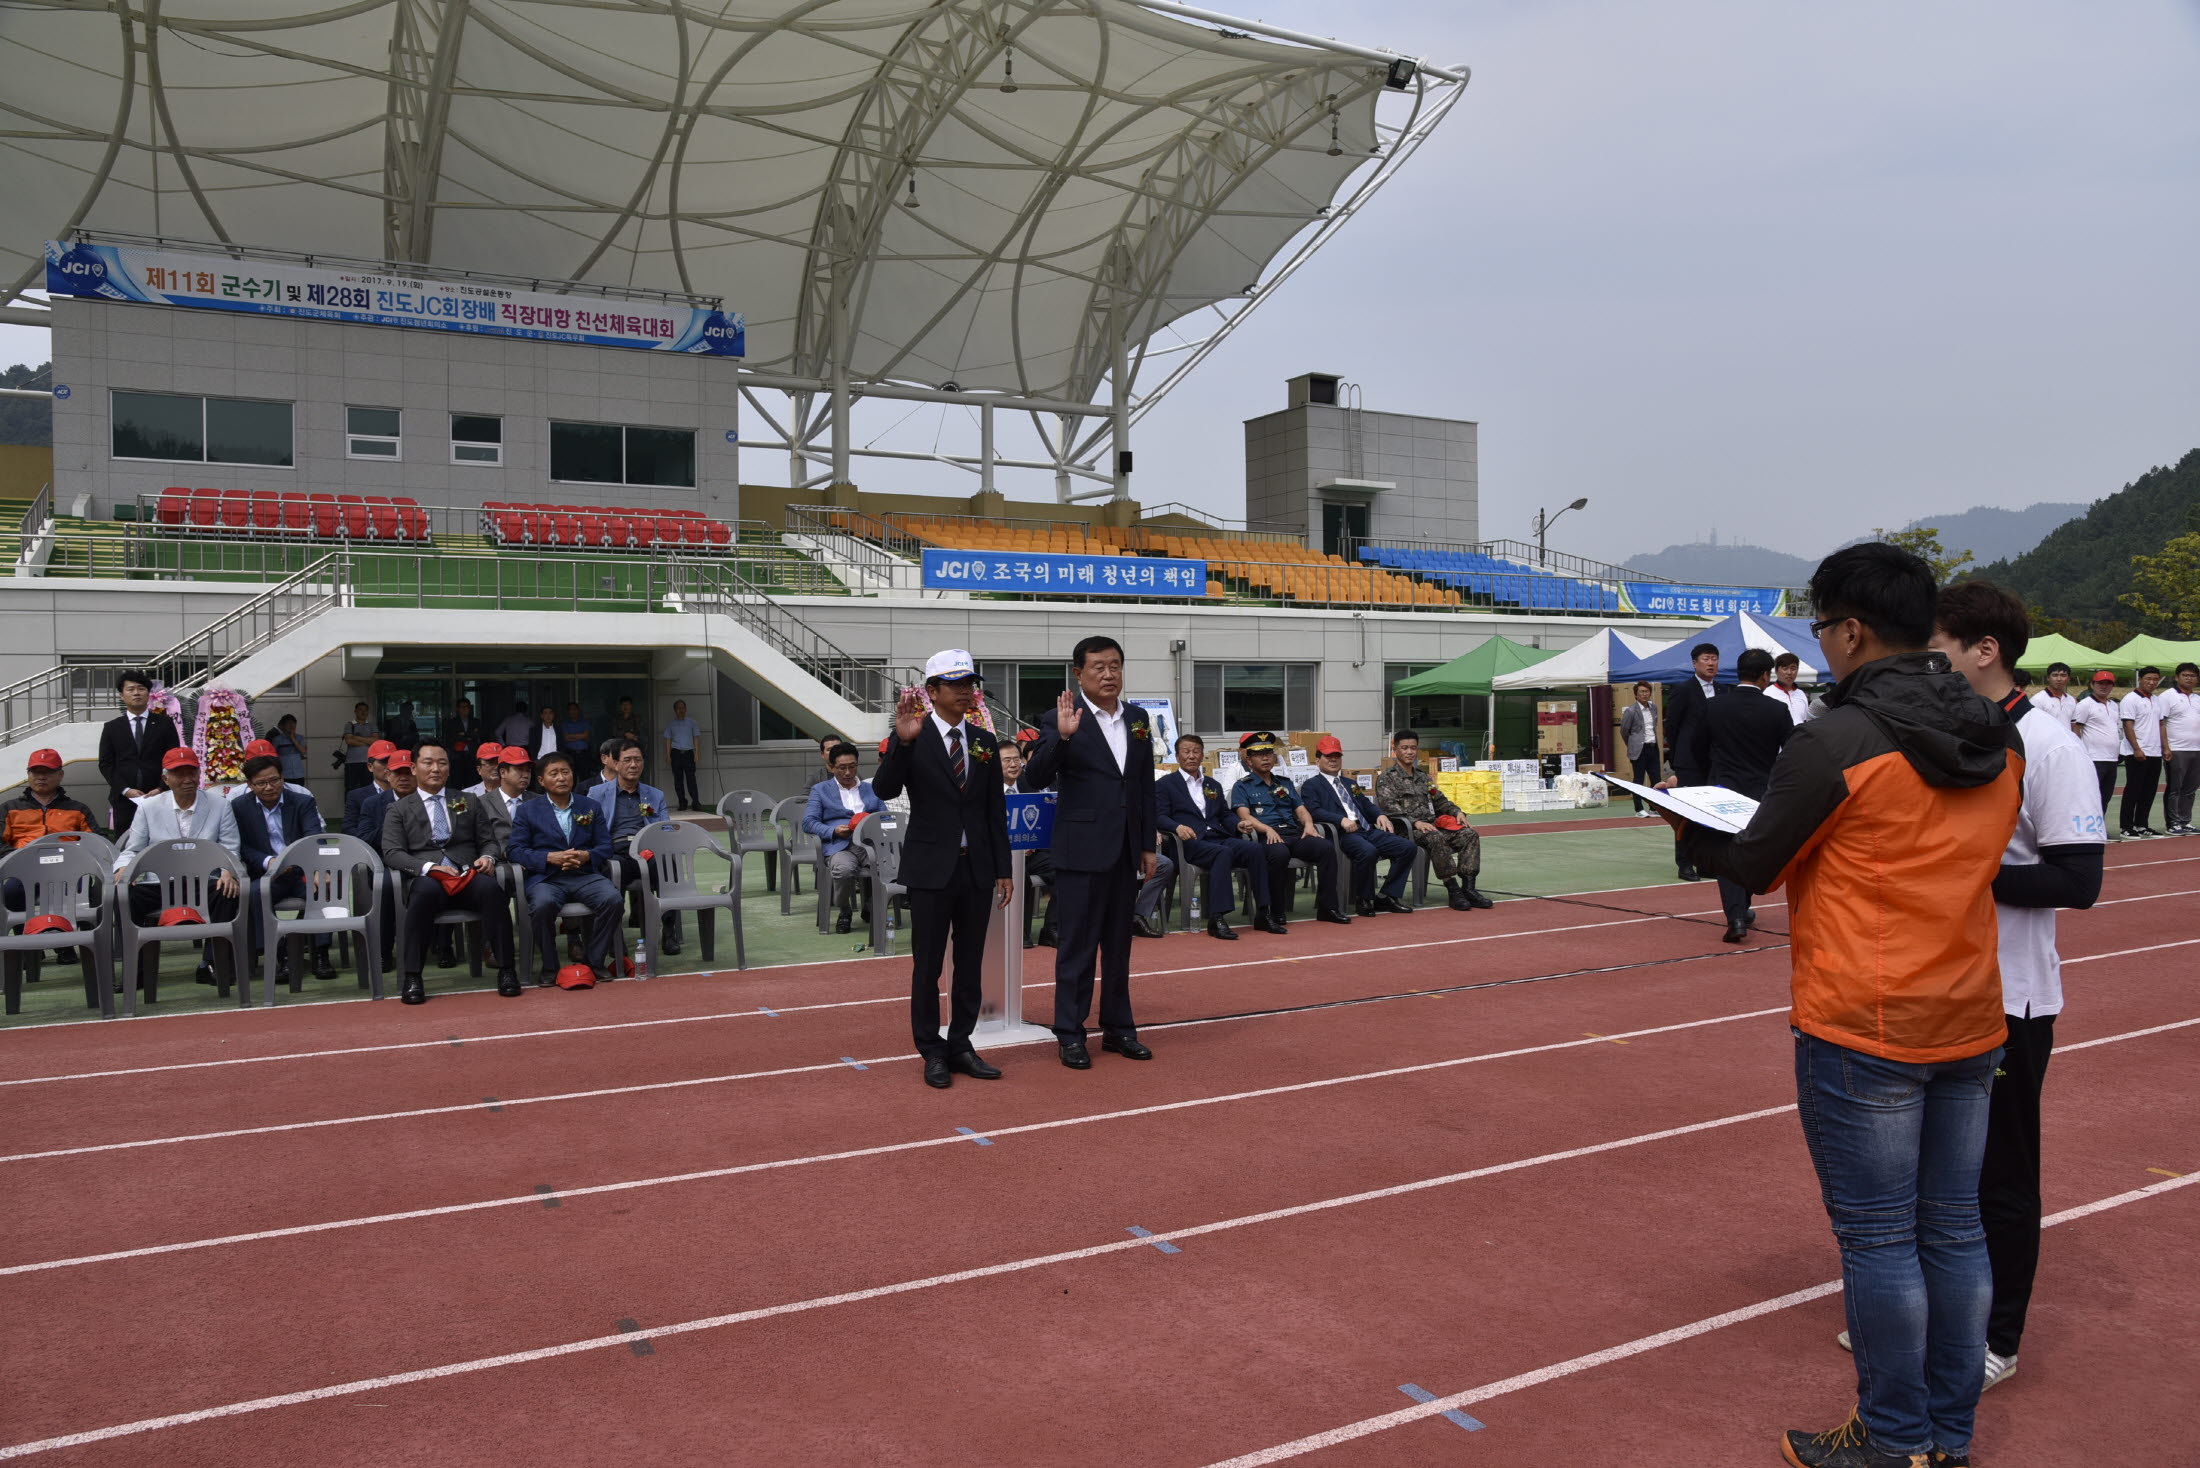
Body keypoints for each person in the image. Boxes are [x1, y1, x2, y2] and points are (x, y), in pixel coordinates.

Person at [1674, 543, 2021, 1468]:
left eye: (1821, 628)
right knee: (1952, 1226)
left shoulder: (1838, 739)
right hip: (1970, 1010)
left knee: (1878, 1240)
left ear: (1853, 629)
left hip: (1864, 1017)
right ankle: (1946, 1435)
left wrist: (1687, 824)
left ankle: (1893, 1438)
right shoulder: (1999, 732)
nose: (1818, 646)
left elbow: (1753, 862)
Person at [1922, 580, 2103, 1400]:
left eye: (1937, 653)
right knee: (1931, 1173)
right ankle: (1926, 1317)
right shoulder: (1950, 735)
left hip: (2011, 998)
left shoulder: (2052, 746)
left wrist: (1967, 873)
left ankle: (1999, 1337)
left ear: (1983, 651)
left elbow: (2079, 878)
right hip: (1937, 986)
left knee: (1999, 1175)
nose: (1927, 668)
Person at [874, 651, 1012, 1088]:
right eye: (955, 684)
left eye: (970, 683)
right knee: (928, 964)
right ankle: (931, 1050)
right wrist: (902, 742)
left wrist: (1003, 868)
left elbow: (993, 811)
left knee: (970, 964)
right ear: (931, 692)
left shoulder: (984, 741)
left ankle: (962, 1044)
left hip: (976, 869)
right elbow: (884, 788)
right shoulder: (912, 736)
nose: (966, 690)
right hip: (931, 868)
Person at [1019, 635, 1158, 1069]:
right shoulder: (1059, 718)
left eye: (1115, 665)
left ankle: (1118, 1029)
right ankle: (1070, 1033)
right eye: (1098, 666)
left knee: (1119, 947)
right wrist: (1061, 738)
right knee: (1076, 947)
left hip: (1124, 849)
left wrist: (1148, 843)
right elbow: (1031, 780)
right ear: (1078, 673)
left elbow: (1142, 786)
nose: (1108, 674)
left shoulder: (1137, 719)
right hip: (1080, 850)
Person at [381, 743, 516, 1003]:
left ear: (449, 768)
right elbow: (392, 852)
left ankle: (507, 970)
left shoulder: (467, 800)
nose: (435, 769)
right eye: (428, 762)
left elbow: (488, 840)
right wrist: (429, 868)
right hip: (427, 877)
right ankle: (413, 976)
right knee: (423, 895)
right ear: (413, 768)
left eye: (442, 763)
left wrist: (488, 857)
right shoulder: (398, 808)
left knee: (492, 891)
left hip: (467, 873)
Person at [1686, 648, 1794, 943]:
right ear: (1765, 676)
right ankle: (1742, 906)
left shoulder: (1715, 706)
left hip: (1722, 788)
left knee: (1725, 850)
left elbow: (1695, 747)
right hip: (1762, 790)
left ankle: (1736, 915)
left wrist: (1710, 774)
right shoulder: (1776, 710)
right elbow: (1794, 751)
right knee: (1751, 851)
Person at [116, 746, 243, 991]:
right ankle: (137, 970)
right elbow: (133, 849)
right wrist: (124, 868)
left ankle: (212, 964)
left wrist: (229, 870)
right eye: (179, 774)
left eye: (192, 772)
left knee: (227, 890)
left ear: (200, 774)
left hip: (205, 882)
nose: (187, 780)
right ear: (166, 779)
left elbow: (230, 847)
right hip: (161, 884)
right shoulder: (148, 808)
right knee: (125, 896)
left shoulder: (220, 805)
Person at [508, 750, 624, 986]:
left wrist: (586, 855)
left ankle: (594, 962)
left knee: (613, 900)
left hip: (584, 875)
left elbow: (605, 846)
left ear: (573, 776)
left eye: (565, 772)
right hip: (547, 877)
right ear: (541, 781)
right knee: (542, 905)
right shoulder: (527, 810)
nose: (561, 778)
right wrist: (550, 857)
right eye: (554, 773)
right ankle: (550, 966)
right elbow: (515, 850)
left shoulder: (589, 806)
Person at [1155, 733, 1274, 939]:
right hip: (1188, 842)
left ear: (1202, 756)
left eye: (1196, 751)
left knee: (1254, 849)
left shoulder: (1212, 785)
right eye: (1186, 752)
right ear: (1177, 756)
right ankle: (1217, 917)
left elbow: (1224, 815)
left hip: (1215, 836)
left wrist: (1239, 823)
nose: (1191, 756)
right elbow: (1159, 815)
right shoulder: (1166, 784)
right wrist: (1177, 827)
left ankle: (1264, 912)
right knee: (1223, 853)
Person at [231, 753, 336, 981]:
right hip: (268, 873)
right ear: (249, 785)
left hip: (301, 869)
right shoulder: (239, 807)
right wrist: (270, 862)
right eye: (261, 783)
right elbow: (243, 847)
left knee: (321, 890)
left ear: (283, 777)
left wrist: (313, 868)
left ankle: (321, 954)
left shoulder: (302, 801)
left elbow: (313, 837)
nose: (269, 787)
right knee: (257, 893)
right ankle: (280, 956)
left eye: (274, 780)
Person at [1229, 731, 1343, 925]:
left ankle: (1327, 908)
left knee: (1325, 848)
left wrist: (1308, 824)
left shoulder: (1285, 783)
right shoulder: (1242, 786)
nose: (1265, 757)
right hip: (1267, 835)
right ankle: (1276, 910)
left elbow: (1301, 809)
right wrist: (1266, 829)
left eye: (1268, 753)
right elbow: (1244, 815)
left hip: (1293, 833)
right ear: (1248, 760)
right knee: (1279, 854)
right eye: (1258, 754)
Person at [1299, 736, 1415, 917]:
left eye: (1337, 756)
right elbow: (1314, 811)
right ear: (1317, 760)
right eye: (1328, 756)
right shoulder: (1311, 785)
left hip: (1366, 829)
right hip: (1342, 834)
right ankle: (1364, 898)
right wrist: (1340, 820)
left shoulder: (1350, 783)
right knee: (1367, 852)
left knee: (1407, 847)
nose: (1333, 760)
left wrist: (1380, 815)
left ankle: (1388, 896)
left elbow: (1366, 805)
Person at [588, 738, 681, 959]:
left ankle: (668, 933)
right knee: (612, 871)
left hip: (647, 849)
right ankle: (614, 937)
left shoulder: (654, 794)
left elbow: (664, 827)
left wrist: (662, 840)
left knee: (668, 866)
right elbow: (589, 831)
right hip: (616, 851)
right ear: (616, 764)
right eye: (627, 760)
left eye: (638, 760)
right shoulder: (597, 793)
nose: (633, 765)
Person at [1377, 730, 1490, 911]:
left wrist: (1457, 812)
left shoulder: (1423, 778)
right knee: (1435, 837)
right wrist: (1415, 822)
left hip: (1431, 826)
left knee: (1469, 834)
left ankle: (1469, 888)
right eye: (1404, 748)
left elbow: (1440, 800)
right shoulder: (1387, 779)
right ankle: (1453, 890)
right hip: (1405, 831)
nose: (1409, 752)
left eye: (1413, 748)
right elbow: (1389, 808)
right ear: (1395, 749)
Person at [803, 741, 886, 934]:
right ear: (831, 767)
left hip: (870, 844)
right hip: (840, 845)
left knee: (891, 867)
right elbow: (808, 822)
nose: (848, 772)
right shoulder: (820, 790)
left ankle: (869, 905)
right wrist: (833, 831)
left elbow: (884, 815)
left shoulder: (871, 788)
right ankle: (844, 909)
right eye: (842, 768)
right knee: (844, 870)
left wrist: (877, 826)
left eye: (852, 766)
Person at [97, 670, 182, 835]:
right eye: (130, 689)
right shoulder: (112, 727)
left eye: (141, 688)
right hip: (125, 800)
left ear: (149, 694)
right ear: (122, 695)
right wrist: (125, 790)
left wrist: (161, 788)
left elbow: (173, 759)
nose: (136, 693)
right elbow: (106, 764)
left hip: (159, 796)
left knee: (162, 840)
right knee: (127, 844)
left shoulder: (164, 724)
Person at [1662, 642, 1720, 880]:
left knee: (1710, 814)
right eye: (1706, 659)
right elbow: (1672, 727)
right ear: (1695, 663)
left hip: (1714, 762)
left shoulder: (1724, 690)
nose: (1711, 663)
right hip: (1688, 762)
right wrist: (1678, 759)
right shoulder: (1683, 689)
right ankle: (1684, 863)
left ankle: (1705, 862)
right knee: (1687, 814)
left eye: (1714, 658)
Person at [4, 748, 101, 850]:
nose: (41, 777)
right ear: (28, 775)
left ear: (60, 775)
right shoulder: (9, 808)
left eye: (47, 772)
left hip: (68, 862)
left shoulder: (78, 809)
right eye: (35, 772)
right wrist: (15, 858)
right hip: (21, 862)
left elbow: (97, 841)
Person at [2069, 671, 2123, 825]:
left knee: (2105, 796)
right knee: (2090, 796)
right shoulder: (2085, 705)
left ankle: (2099, 826)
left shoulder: (2113, 705)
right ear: (2092, 684)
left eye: (2108, 684)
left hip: (2111, 758)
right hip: (2093, 758)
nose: (2104, 687)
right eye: (2100, 683)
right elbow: (2076, 729)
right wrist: (2080, 753)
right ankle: (2084, 827)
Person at [2118, 665, 2165, 838]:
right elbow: (2128, 725)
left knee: (2149, 790)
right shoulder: (2130, 699)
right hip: (2136, 752)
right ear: (2140, 679)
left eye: (2155, 679)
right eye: (2148, 679)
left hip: (2155, 752)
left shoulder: (2156, 700)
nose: (2152, 682)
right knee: (2133, 789)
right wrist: (2136, 748)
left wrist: (2165, 747)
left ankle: (2141, 824)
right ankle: (2126, 825)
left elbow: (2161, 724)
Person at [2159, 662, 2200, 835]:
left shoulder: (2198, 698)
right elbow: (2161, 723)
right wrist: (2166, 747)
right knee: (2175, 787)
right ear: (2177, 677)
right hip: (2176, 749)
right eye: (2185, 675)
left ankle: (2185, 820)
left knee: (2191, 788)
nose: (2189, 678)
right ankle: (2173, 823)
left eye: (2192, 675)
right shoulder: (2167, 696)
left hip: (2196, 749)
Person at [1619, 681, 1662, 814]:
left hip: (1653, 746)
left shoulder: (1653, 708)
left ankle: (1654, 808)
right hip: (1639, 749)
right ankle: (1639, 808)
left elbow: (1653, 726)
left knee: (1656, 779)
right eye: (1641, 692)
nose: (1644, 694)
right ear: (1636, 695)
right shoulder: (1630, 711)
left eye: (1647, 691)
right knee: (1638, 779)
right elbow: (1624, 731)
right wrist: (1632, 744)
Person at [343, 741, 397, 841]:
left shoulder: (408, 793)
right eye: (383, 762)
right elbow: (348, 829)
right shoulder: (356, 796)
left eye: (392, 761)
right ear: (370, 766)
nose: (388, 766)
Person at [664, 699, 704, 811]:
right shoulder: (671, 724)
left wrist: (696, 753)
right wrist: (668, 755)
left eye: (683, 708)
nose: (681, 710)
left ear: (686, 709)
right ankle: (682, 802)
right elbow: (668, 740)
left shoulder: (692, 722)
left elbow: (696, 737)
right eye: (678, 708)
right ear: (675, 710)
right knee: (678, 780)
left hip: (688, 754)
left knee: (691, 779)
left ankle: (696, 802)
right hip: (676, 753)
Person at [339, 700, 378, 793]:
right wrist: (368, 741)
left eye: (365, 710)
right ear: (355, 711)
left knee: (368, 788)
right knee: (351, 789)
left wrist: (356, 737)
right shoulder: (349, 725)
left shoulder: (372, 725)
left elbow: (376, 741)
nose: (363, 712)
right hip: (352, 763)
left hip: (368, 762)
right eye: (360, 710)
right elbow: (349, 740)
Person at [2028, 662, 2075, 729]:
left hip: (2066, 739)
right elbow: (2033, 725)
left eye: (2063, 675)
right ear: (2048, 678)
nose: (2059, 679)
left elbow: (2073, 724)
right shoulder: (2037, 700)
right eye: (2055, 675)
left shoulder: (2071, 699)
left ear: (2068, 679)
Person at [268, 715, 311, 785]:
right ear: (283, 725)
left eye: (293, 723)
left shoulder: (300, 738)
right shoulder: (277, 739)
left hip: (299, 774)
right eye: (288, 723)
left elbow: (303, 751)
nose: (291, 726)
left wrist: (293, 738)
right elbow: (273, 756)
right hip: (285, 775)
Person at [1771, 651, 1812, 724]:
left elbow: (1805, 720)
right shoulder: (1769, 694)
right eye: (1785, 668)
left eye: (1793, 669)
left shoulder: (1801, 694)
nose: (1789, 672)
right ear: (1776, 671)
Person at [442, 698, 484, 766]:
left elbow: (478, 735)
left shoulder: (476, 721)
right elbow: (452, 737)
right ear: (457, 709)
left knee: (473, 775)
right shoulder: (452, 722)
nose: (464, 709)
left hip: (472, 754)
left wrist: (464, 734)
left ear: (469, 708)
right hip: (456, 755)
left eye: (466, 707)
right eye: (462, 707)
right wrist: (470, 736)